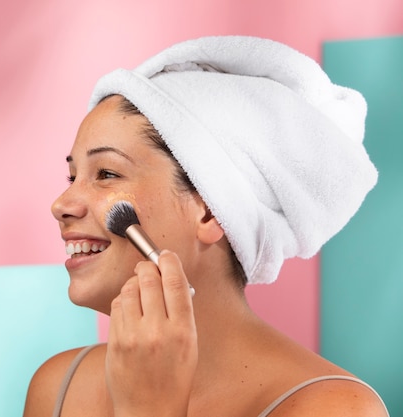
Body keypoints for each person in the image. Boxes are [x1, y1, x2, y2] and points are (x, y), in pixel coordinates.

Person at [23, 36, 390, 417]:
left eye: (106, 173)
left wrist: (149, 408)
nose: (61, 205)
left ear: (210, 211)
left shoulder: (333, 408)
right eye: (71, 178)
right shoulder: (58, 386)